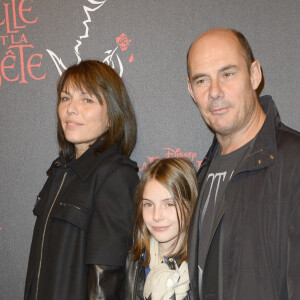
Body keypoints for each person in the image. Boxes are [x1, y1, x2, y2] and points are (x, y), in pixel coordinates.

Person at [186, 28, 300, 300]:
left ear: (254, 74)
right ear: (191, 90)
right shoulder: (201, 175)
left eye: (227, 74)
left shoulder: (294, 163)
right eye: (202, 80)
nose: (215, 92)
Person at [24, 60, 139, 300]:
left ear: (111, 115)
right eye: (65, 98)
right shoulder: (60, 172)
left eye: (87, 100)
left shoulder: (115, 175)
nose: (71, 109)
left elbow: (106, 280)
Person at [122, 158, 198, 299]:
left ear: (190, 204)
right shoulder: (131, 259)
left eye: (169, 204)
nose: (156, 216)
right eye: (148, 204)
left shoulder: (203, 267)